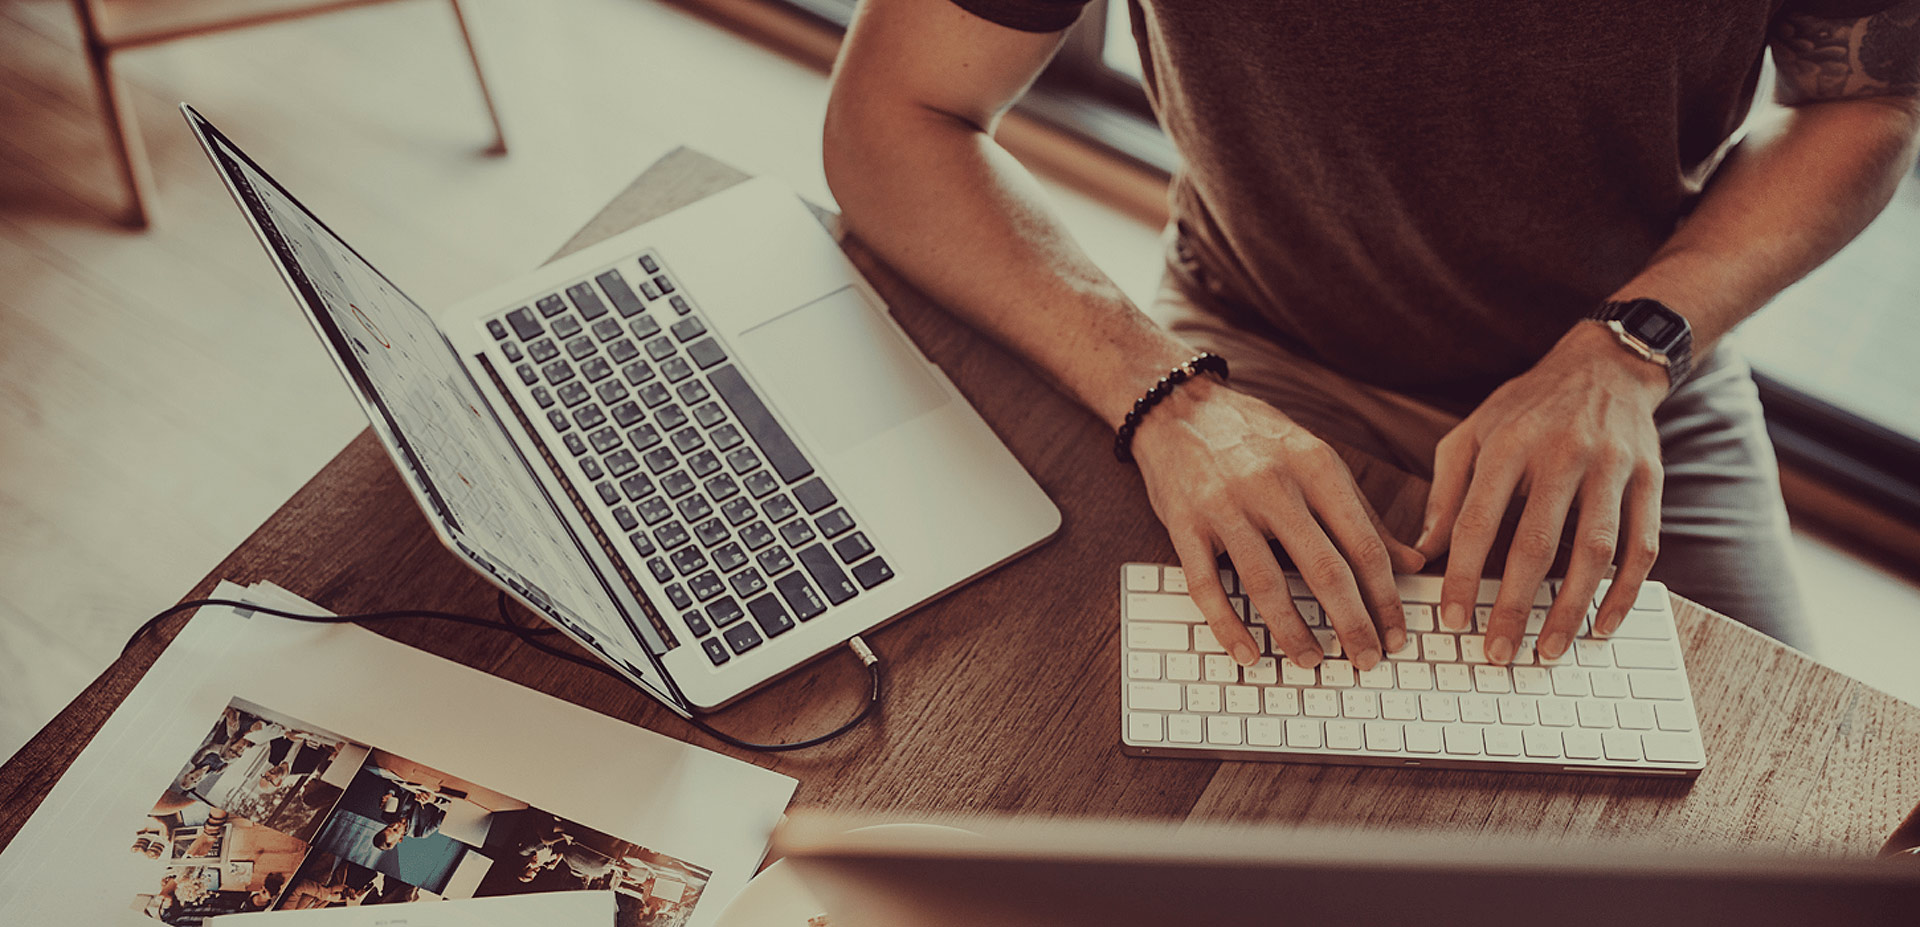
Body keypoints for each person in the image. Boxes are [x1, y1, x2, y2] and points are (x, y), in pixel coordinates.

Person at [824, 0, 1920, 668]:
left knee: (1778, 855)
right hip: (1257, 341)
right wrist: (1168, 396)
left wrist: (1627, 350)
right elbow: (895, 117)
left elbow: (1864, 103)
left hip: (1639, 356)